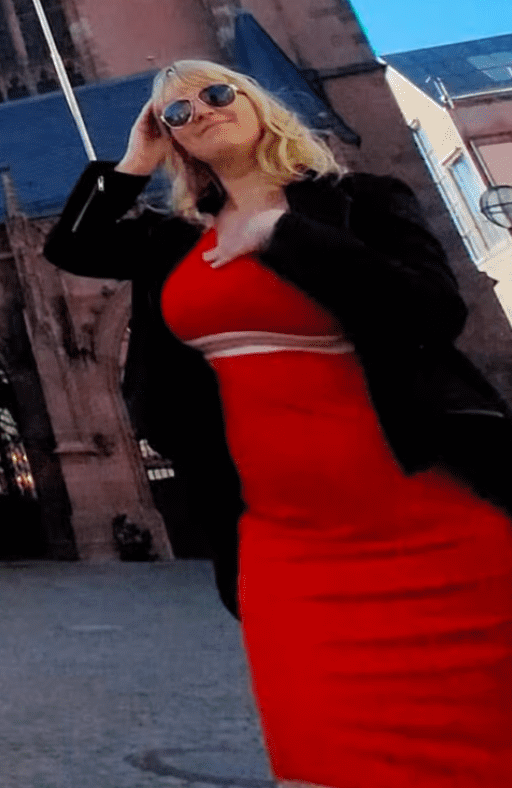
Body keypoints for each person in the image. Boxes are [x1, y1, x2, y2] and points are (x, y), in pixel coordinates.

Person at [44, 59, 512, 788]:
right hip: (284, 547)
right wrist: (136, 160)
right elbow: (70, 248)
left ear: (258, 105)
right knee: (326, 759)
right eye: (177, 112)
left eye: (218, 94)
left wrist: (280, 234)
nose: (200, 111)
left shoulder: (359, 200)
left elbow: (431, 310)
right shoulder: (173, 238)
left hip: (431, 519)